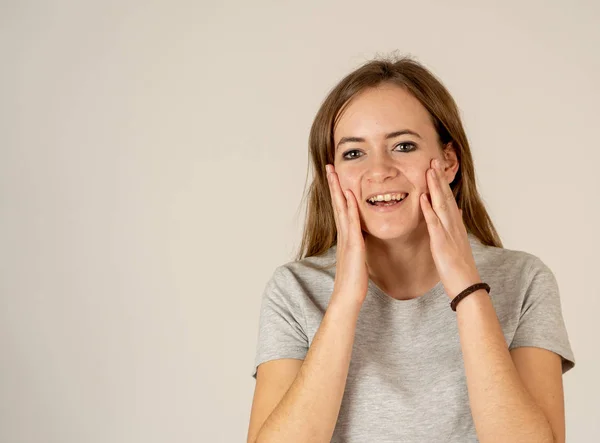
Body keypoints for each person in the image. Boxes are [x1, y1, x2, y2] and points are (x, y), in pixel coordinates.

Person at [247, 55, 575, 443]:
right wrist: (345, 300)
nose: (379, 170)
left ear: (449, 161)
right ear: (330, 172)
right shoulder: (294, 290)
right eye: (354, 153)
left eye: (403, 146)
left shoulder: (524, 281)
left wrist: (468, 290)